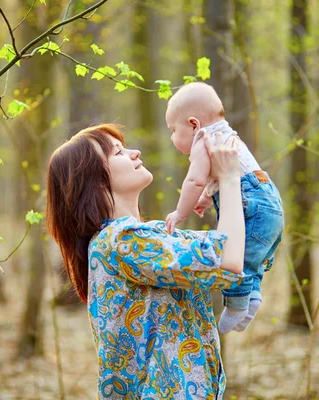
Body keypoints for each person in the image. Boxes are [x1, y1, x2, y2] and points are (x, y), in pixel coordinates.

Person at [46, 123, 246, 399]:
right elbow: (229, 260)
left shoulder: (148, 236)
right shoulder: (121, 241)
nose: (135, 152)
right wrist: (230, 178)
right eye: (118, 152)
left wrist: (217, 188)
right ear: (94, 180)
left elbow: (231, 249)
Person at [164, 82, 284, 334]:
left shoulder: (203, 140)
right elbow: (229, 175)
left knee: (237, 257)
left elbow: (194, 180)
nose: (172, 138)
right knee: (252, 259)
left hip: (252, 206)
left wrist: (180, 212)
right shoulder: (227, 136)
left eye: (173, 130)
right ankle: (252, 297)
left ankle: (237, 303)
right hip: (270, 204)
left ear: (193, 124)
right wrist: (208, 197)